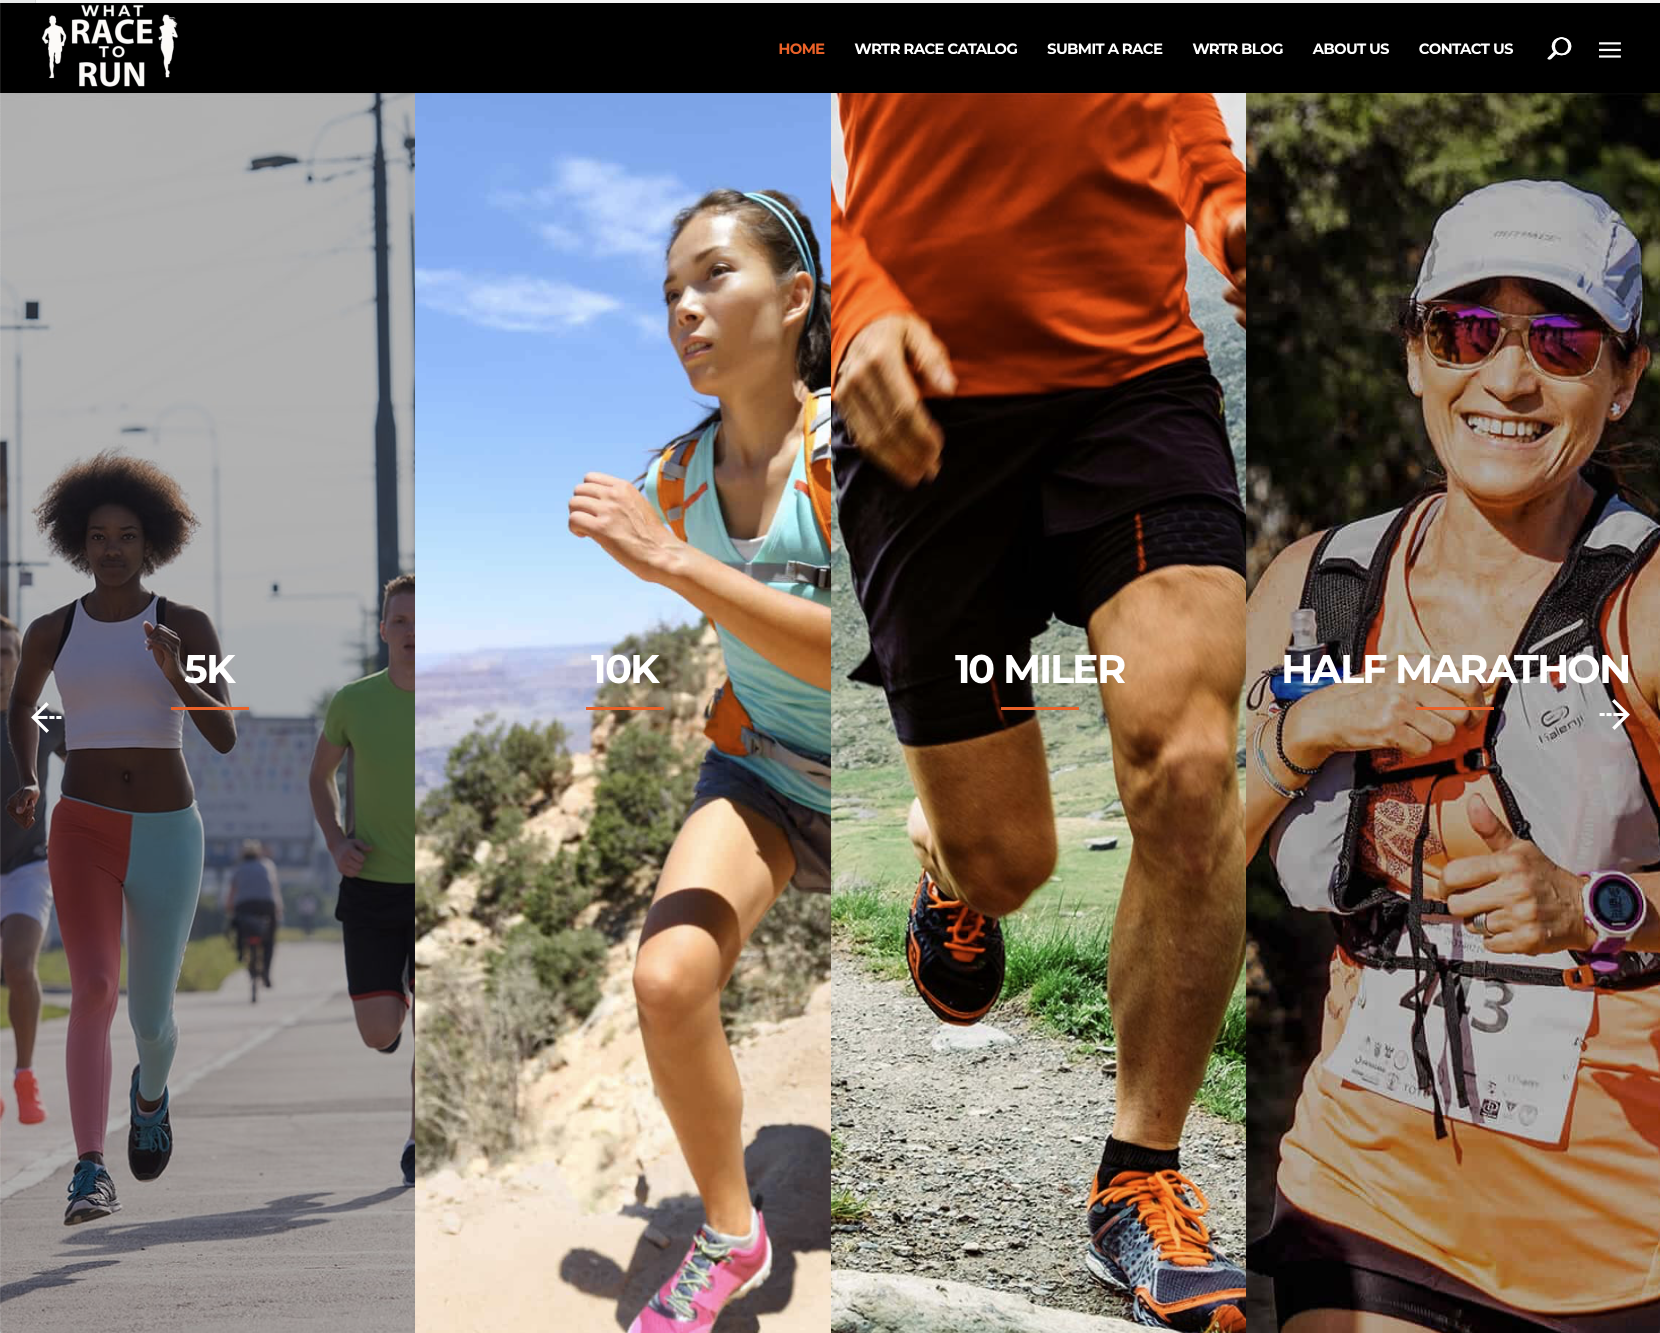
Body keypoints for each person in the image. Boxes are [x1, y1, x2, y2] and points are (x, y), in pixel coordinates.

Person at [832, 94, 1248, 1329]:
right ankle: (944, 858)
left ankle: (1140, 1176)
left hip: (1134, 384)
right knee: (1009, 865)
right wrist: (850, 305)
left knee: (1188, 760)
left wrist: (1222, 202)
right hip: (915, 401)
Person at [1246, 180, 1660, 1331]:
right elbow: (1179, 850)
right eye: (1466, 331)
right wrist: (1307, 728)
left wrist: (1594, 904)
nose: (1508, 379)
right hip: (1363, 1197)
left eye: (1563, 339)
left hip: (1618, 1246)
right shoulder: (1314, 591)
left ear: (1623, 379)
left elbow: (1606, 906)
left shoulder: (1649, 608)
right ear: (1416, 358)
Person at [568, 188, 831, 1333]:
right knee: (667, 979)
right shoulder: (675, 475)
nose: (685, 307)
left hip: (890, 771)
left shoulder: (850, 457)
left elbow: (855, 664)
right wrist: (664, 552)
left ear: (795, 295)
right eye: (669, 292)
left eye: (714, 276)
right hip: (765, 772)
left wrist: (671, 563)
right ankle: (731, 1234)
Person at [4, 451, 236, 1224]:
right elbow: (22, 708)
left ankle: (150, 1095)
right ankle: (88, 1169)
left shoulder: (188, 624)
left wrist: (177, 675)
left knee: (152, 1019)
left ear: (151, 543)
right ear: (78, 542)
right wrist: (31, 775)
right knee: (95, 988)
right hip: (83, 829)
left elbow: (227, 734)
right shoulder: (50, 629)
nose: (111, 548)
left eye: (127, 536)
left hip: (170, 832)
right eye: (98, 536)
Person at [308, 573, 416, 1187]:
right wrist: (335, 842)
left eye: (415, 625)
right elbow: (319, 776)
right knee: (379, 1033)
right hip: (371, 884)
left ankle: (417, 1137)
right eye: (396, 623)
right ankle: (393, 1013)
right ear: (382, 632)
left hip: (438, 888)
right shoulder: (354, 701)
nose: (406, 634)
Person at [2, 612, 67, 1125]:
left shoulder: (42, 717)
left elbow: (89, 754)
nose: (2, 662)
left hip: (29, 864)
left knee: (19, 968)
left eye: (8, 652)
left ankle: (25, 1075)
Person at [225, 838, 281, 985]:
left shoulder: (238, 868)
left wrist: (229, 908)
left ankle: (241, 951)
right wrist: (278, 910)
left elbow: (232, 892)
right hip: (267, 905)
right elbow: (274, 890)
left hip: (244, 906)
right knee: (269, 939)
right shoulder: (268, 865)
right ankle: (266, 973)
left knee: (238, 927)